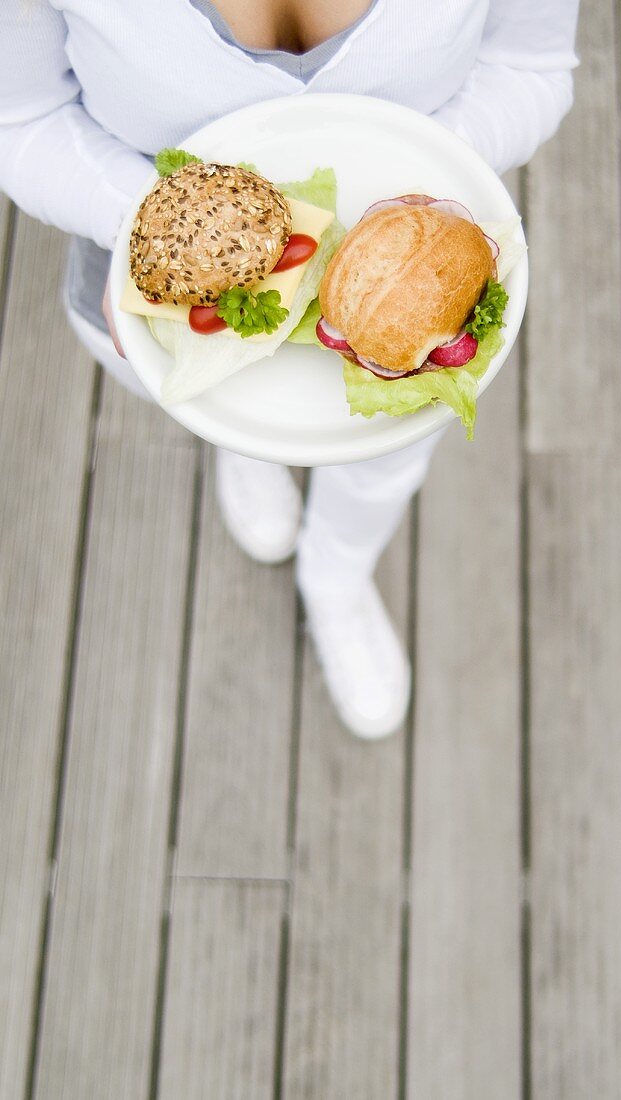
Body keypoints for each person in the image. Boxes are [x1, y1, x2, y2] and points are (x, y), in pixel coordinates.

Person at [0, 0, 579, 738]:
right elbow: (21, 117)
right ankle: (245, 457)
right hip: (172, 311)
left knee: (383, 463)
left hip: (410, 311)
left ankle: (334, 576)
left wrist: (413, 203)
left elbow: (529, 68)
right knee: (226, 416)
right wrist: (150, 223)